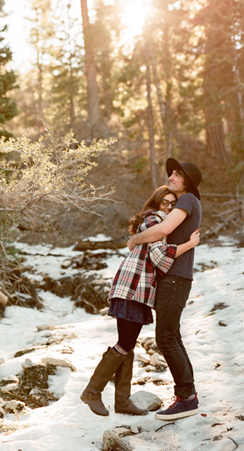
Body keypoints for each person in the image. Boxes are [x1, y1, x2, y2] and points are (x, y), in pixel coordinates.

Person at [81, 185, 200, 416]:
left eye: (173, 204)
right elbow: (159, 257)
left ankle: (122, 401)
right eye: (165, 202)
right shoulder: (155, 220)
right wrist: (190, 244)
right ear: (155, 203)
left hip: (137, 288)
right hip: (133, 286)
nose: (169, 207)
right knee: (124, 343)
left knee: (127, 342)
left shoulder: (154, 221)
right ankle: (92, 392)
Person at [126, 158, 202, 421]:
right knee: (173, 336)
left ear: (187, 182)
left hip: (175, 279)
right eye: (172, 172)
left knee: (166, 338)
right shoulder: (185, 202)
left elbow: (163, 230)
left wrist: (134, 239)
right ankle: (187, 395)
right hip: (174, 279)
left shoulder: (188, 200)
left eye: (178, 174)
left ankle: (186, 398)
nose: (172, 176)